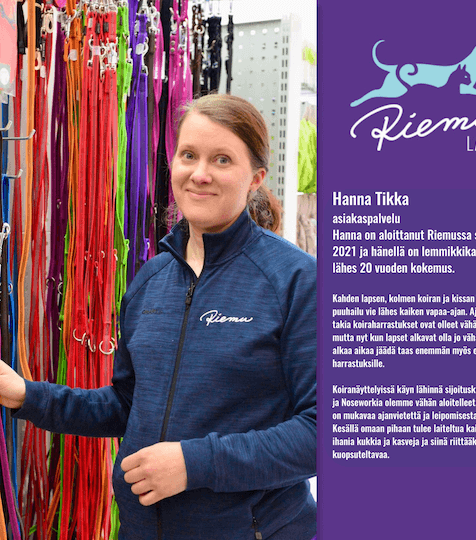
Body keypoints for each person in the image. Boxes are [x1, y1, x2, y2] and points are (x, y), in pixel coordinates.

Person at [0, 94, 316, 540]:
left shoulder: (296, 280)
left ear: (256, 178)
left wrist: (194, 464)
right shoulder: (152, 279)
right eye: (188, 155)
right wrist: (26, 395)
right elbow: (127, 406)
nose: (200, 173)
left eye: (222, 159)